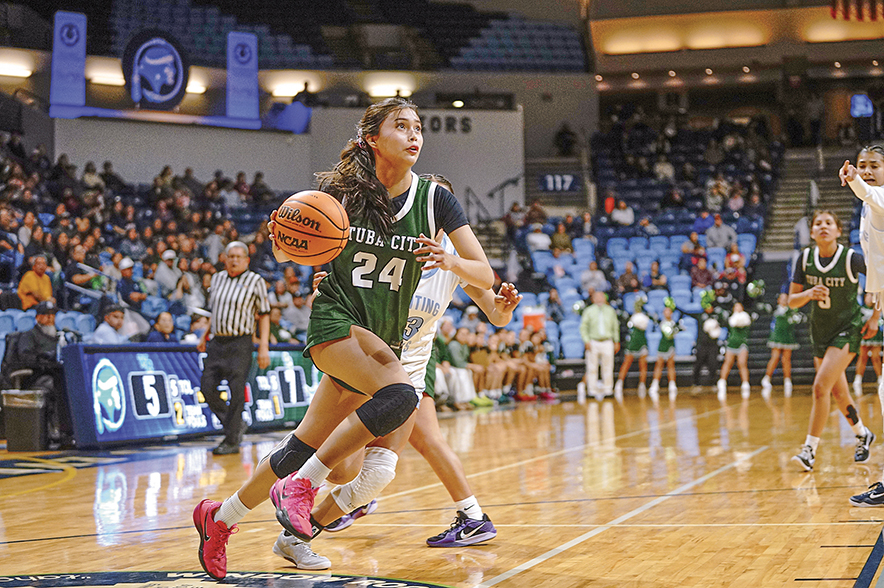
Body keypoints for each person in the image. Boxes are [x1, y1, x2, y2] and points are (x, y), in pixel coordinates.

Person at [193, 98, 493, 579]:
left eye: (418, 127)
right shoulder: (342, 192)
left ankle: (220, 519)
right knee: (402, 396)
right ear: (372, 138)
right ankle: (303, 486)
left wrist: (450, 259)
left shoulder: (436, 200)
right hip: (337, 320)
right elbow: (293, 250)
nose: (414, 135)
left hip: (383, 337)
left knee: (301, 446)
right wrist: (283, 239)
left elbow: (485, 273)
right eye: (401, 126)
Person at [788, 210, 877, 472]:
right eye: (818, 223)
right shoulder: (805, 259)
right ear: (812, 232)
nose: (823, 227)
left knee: (820, 388)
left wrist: (875, 318)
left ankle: (809, 450)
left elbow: (880, 281)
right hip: (820, 332)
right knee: (838, 392)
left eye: (829, 223)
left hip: (847, 329)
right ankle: (862, 434)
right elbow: (792, 301)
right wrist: (808, 293)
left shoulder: (851, 258)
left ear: (839, 231)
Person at [197, 241, 270, 456]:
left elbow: (264, 315)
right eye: (231, 256)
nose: (234, 260)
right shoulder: (217, 278)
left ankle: (231, 441)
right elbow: (215, 311)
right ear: (225, 259)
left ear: (247, 260)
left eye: (239, 256)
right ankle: (235, 425)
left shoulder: (255, 281)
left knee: (236, 391)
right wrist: (205, 334)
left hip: (241, 342)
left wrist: (264, 346)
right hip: (217, 342)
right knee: (206, 387)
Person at [10, 300, 72, 445]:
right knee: (57, 386)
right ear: (38, 317)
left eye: (53, 315)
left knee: (71, 383)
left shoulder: (59, 336)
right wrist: (45, 358)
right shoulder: (29, 335)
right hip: (36, 377)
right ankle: (59, 430)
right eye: (47, 315)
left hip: (57, 373)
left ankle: (74, 430)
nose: (51, 319)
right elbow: (26, 359)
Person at [578, 290, 620, 401]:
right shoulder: (588, 311)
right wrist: (586, 340)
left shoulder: (610, 310)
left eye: (601, 296)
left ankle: (608, 389)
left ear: (605, 298)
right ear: (593, 299)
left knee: (608, 366)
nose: (599, 299)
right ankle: (592, 390)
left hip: (607, 341)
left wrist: (616, 341)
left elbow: (615, 326)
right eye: (597, 297)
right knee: (592, 367)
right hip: (593, 341)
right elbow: (583, 327)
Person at [761, 293, 800, 398]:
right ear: (778, 300)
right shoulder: (775, 310)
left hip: (787, 337)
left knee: (786, 359)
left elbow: (796, 319)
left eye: (786, 299)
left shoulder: (791, 311)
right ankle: (766, 378)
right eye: (782, 298)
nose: (784, 300)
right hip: (777, 337)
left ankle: (787, 380)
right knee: (775, 357)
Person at [614, 297, 649, 400]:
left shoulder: (643, 318)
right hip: (632, 343)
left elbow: (643, 325)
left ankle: (642, 384)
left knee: (643, 365)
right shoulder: (631, 317)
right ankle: (619, 383)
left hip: (641, 342)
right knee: (627, 363)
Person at [715, 302, 752, 401]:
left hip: (742, 344)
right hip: (731, 344)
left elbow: (741, 323)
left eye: (739, 306)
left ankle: (745, 383)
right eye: (736, 306)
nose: (738, 308)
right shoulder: (731, 318)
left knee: (742, 363)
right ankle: (722, 382)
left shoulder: (745, 318)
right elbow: (732, 323)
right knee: (728, 363)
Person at [648, 302, 679, 403]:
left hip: (671, 346)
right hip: (662, 346)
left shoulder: (674, 323)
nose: (667, 313)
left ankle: (672, 384)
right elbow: (668, 334)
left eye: (669, 311)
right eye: (665, 311)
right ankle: (655, 384)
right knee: (659, 364)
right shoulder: (662, 323)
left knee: (671, 365)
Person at [854, 293, 884, 396]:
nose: (869, 299)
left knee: (876, 358)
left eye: (871, 296)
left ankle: (880, 378)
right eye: (868, 296)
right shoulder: (860, 309)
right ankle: (858, 379)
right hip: (864, 335)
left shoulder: (879, 309)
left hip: (876, 336)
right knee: (862, 357)